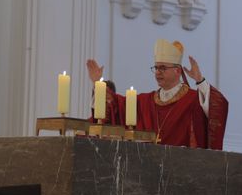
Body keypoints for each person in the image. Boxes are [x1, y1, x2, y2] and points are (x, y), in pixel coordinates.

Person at [86, 39, 228, 149]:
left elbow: (218, 108)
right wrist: (98, 84)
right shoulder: (146, 101)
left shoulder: (192, 100)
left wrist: (200, 81)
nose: (158, 72)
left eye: (163, 68)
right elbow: (116, 106)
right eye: (156, 67)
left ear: (177, 71)